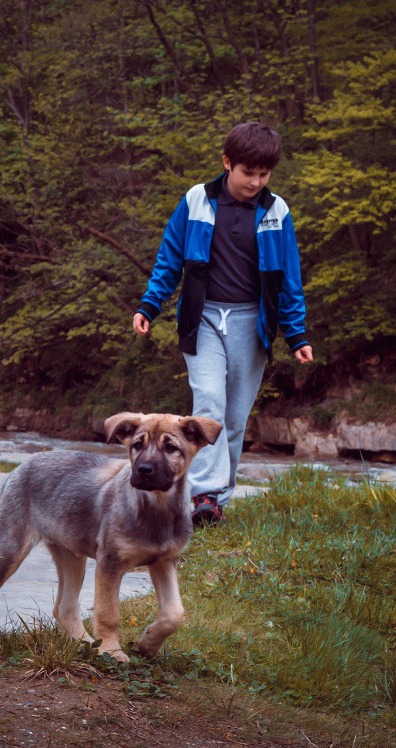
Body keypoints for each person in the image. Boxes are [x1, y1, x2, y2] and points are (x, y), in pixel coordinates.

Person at [133, 122, 313, 526]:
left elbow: (289, 278)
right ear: (227, 163)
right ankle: (203, 495)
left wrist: (296, 333)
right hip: (204, 318)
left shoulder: (276, 211)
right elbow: (169, 258)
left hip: (253, 323)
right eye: (248, 172)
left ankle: (216, 500)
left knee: (233, 419)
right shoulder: (196, 200)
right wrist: (149, 304)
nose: (256, 181)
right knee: (209, 402)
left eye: (264, 174)